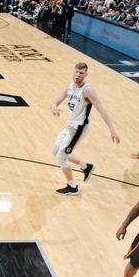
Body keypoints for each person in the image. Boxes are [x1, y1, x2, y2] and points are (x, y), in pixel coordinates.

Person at [50, 62, 120, 195]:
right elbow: (55, 101)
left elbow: (101, 110)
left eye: (81, 73)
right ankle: (86, 167)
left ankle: (72, 187)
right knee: (55, 151)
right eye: (76, 72)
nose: (77, 75)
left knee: (61, 156)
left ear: (86, 74)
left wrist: (112, 129)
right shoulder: (70, 86)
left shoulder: (88, 90)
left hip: (79, 128)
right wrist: (54, 107)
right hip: (70, 126)